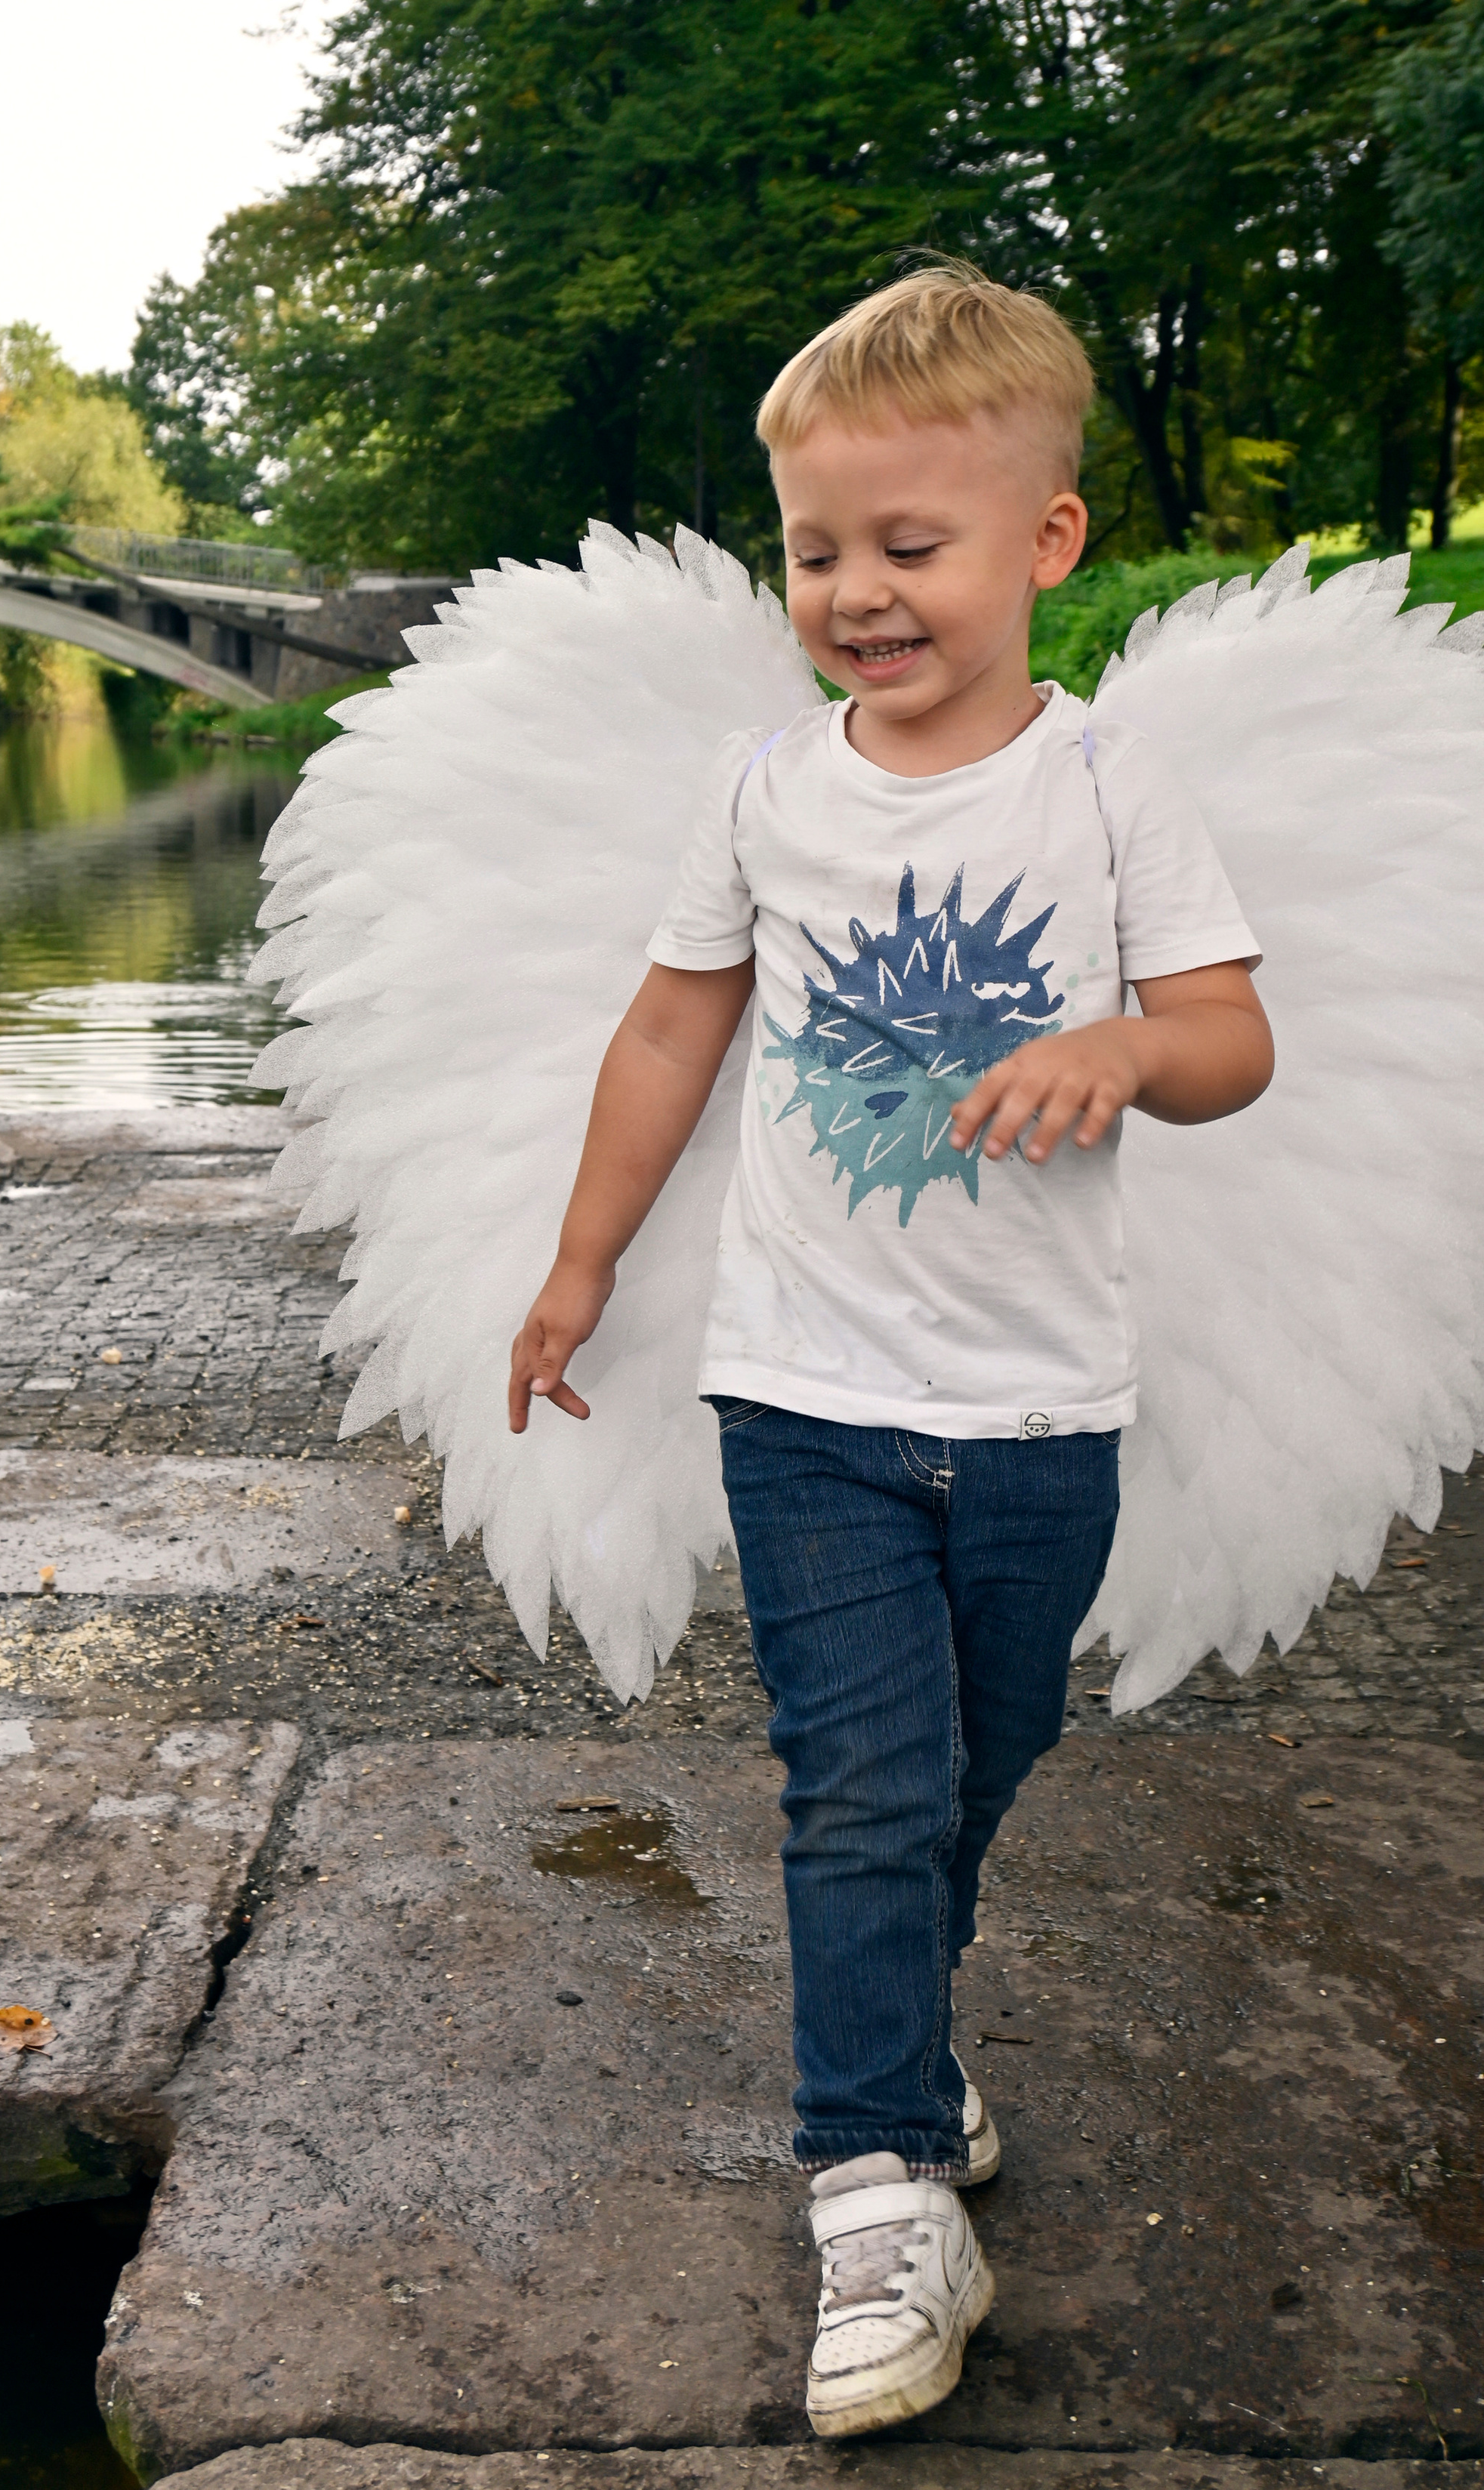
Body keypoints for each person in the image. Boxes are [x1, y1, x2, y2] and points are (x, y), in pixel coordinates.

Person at [504, 264, 1275, 2439]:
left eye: (906, 547)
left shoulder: (1111, 794)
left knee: (980, 1765)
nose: (853, 591)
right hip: (808, 1392)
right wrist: (577, 1266)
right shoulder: (768, 794)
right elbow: (673, 1027)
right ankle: (878, 2184)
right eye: (816, 550)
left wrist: (1126, 1040)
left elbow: (1234, 1035)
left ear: (1045, 544)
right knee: (863, 1787)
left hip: (1043, 1407)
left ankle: (901, 2052)